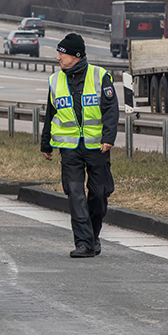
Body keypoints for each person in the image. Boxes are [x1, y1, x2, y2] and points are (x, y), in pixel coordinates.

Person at [40, 33, 119, 258]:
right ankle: (84, 243)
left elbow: (111, 110)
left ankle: (93, 237)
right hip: (69, 147)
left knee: (99, 194)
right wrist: (46, 143)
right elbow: (50, 113)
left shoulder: (100, 76)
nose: (58, 58)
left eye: (61, 53)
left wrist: (108, 138)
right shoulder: (56, 80)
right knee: (75, 194)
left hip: (97, 147)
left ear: (76, 55)